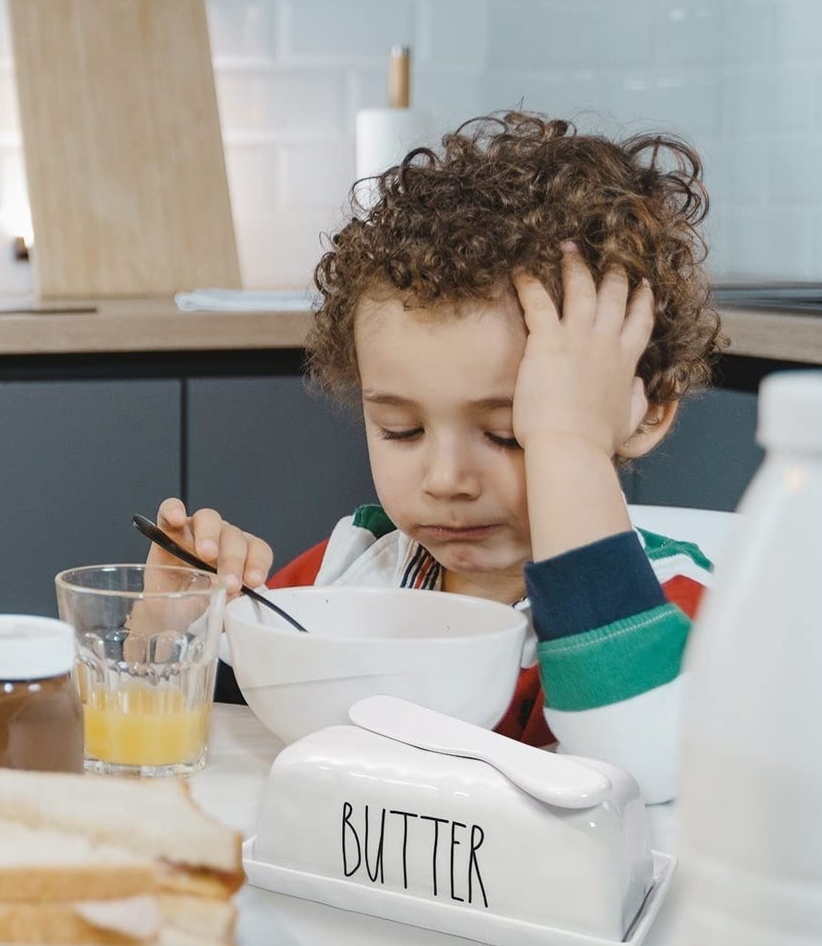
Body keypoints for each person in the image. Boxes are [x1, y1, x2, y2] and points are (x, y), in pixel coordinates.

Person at [152, 111, 722, 763]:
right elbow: (226, 725)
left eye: (510, 433)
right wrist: (178, 627)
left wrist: (568, 445)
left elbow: (639, 752)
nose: (444, 478)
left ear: (643, 412)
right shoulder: (352, 566)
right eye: (402, 429)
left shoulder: (674, 601)